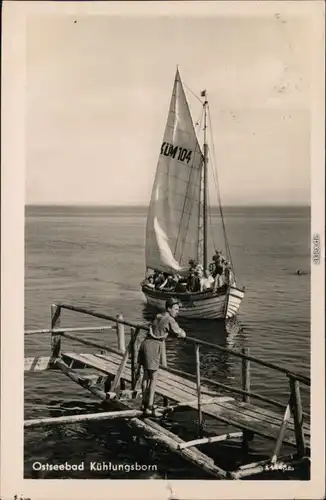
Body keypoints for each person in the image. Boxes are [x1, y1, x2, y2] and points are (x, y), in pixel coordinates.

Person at [137, 298, 186, 416]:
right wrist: (183, 332)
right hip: (153, 346)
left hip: (145, 344)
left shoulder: (159, 315)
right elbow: (179, 333)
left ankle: (144, 404)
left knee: (146, 376)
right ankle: (149, 407)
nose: (177, 312)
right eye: (176, 309)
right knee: (154, 377)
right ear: (169, 309)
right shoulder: (170, 319)